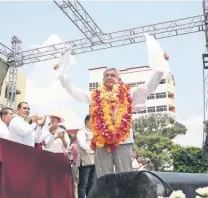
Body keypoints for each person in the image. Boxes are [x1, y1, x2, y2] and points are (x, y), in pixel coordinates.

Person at [54, 34, 170, 178]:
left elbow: (148, 87)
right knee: (104, 178)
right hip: (102, 141)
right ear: (103, 80)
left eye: (112, 75)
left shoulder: (129, 94)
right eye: (106, 75)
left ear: (119, 79)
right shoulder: (95, 96)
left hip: (124, 141)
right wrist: (61, 75)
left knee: (124, 176)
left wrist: (159, 68)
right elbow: (75, 92)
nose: (109, 77)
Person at [76, 115, 96, 198]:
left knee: (92, 184)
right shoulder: (81, 132)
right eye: (92, 120)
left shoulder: (95, 132)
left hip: (95, 161)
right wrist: (93, 149)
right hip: (85, 161)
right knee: (83, 184)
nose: (94, 122)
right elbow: (82, 144)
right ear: (86, 121)